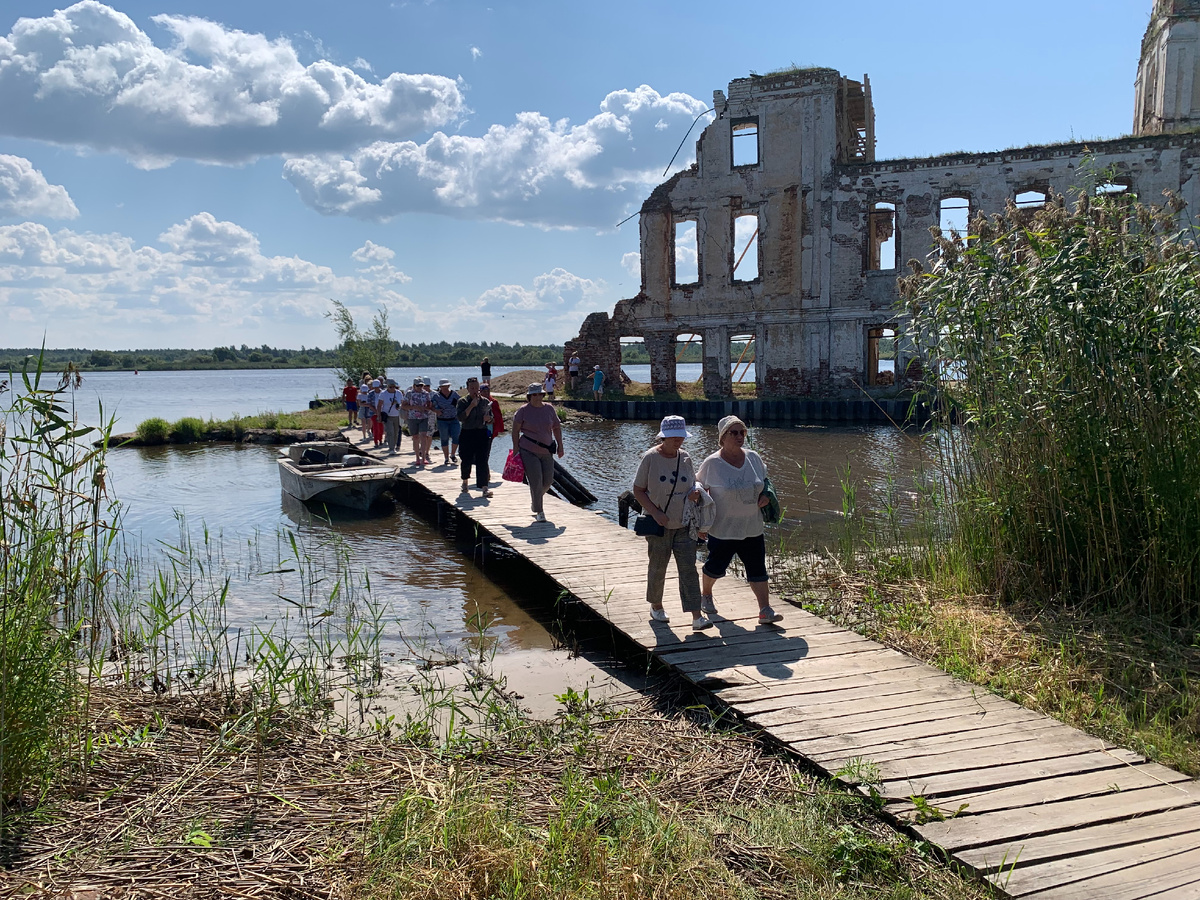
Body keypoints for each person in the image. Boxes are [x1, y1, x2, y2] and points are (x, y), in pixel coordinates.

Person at [696, 416, 783, 624]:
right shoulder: (712, 463)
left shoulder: (753, 458)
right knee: (715, 568)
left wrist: (766, 496)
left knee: (758, 569)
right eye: (733, 433)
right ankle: (706, 595)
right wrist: (700, 523)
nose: (739, 437)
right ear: (722, 437)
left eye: (742, 432)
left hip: (752, 527)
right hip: (723, 529)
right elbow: (697, 488)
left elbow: (765, 482)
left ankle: (765, 610)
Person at [633, 416, 712, 631]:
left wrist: (695, 493)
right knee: (658, 567)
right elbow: (638, 490)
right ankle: (656, 605)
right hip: (659, 524)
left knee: (688, 569)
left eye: (681, 437)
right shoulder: (650, 458)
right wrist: (655, 513)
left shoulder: (685, 457)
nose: (678, 441)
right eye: (673, 437)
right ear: (663, 437)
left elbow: (691, 483)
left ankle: (697, 616)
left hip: (684, 524)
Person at [512, 383, 563, 522]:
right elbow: (515, 430)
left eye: (540, 394)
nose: (537, 397)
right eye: (534, 394)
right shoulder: (523, 411)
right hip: (528, 449)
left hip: (546, 450)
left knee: (548, 481)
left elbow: (556, 427)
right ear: (529, 396)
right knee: (536, 481)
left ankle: (535, 501)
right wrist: (516, 447)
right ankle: (540, 512)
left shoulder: (549, 409)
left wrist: (560, 446)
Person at [456, 376, 494, 497]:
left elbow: (491, 418)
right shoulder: (462, 402)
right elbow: (461, 418)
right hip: (467, 433)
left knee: (482, 460)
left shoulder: (485, 401)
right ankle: (465, 480)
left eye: (477, 388)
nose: (475, 390)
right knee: (466, 459)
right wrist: (471, 405)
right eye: (472, 388)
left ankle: (484, 487)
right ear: (467, 388)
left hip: (481, 433)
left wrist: (489, 419)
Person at [402, 377, 432, 465]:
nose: (420, 387)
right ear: (414, 385)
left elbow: (429, 405)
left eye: (421, 385)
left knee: (423, 436)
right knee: (415, 437)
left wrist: (427, 407)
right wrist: (414, 407)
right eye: (418, 385)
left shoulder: (426, 394)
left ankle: (423, 458)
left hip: (424, 417)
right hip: (412, 417)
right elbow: (404, 406)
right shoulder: (409, 393)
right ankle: (417, 458)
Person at [431, 379, 462, 465]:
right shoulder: (436, 396)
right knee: (444, 439)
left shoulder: (454, 394)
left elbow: (461, 403)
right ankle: (446, 457)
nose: (444, 388)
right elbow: (431, 406)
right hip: (442, 420)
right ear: (440, 387)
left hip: (454, 419)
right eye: (442, 386)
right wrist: (436, 411)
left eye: (446, 386)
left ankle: (453, 454)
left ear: (449, 386)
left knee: (456, 437)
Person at [376, 378, 404, 454]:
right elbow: (379, 405)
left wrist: (398, 405)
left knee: (396, 432)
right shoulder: (383, 394)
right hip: (387, 415)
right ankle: (391, 448)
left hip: (397, 415)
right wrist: (379, 415)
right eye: (390, 387)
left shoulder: (399, 393)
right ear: (387, 386)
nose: (392, 388)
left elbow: (402, 403)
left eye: (393, 386)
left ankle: (394, 446)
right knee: (390, 431)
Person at [368, 379, 384, 448]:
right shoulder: (370, 393)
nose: (376, 388)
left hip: (382, 412)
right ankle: (376, 442)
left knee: (381, 427)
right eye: (375, 387)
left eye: (377, 386)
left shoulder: (383, 393)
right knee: (375, 427)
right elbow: (369, 404)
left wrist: (380, 412)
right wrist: (376, 411)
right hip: (373, 413)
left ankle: (380, 440)